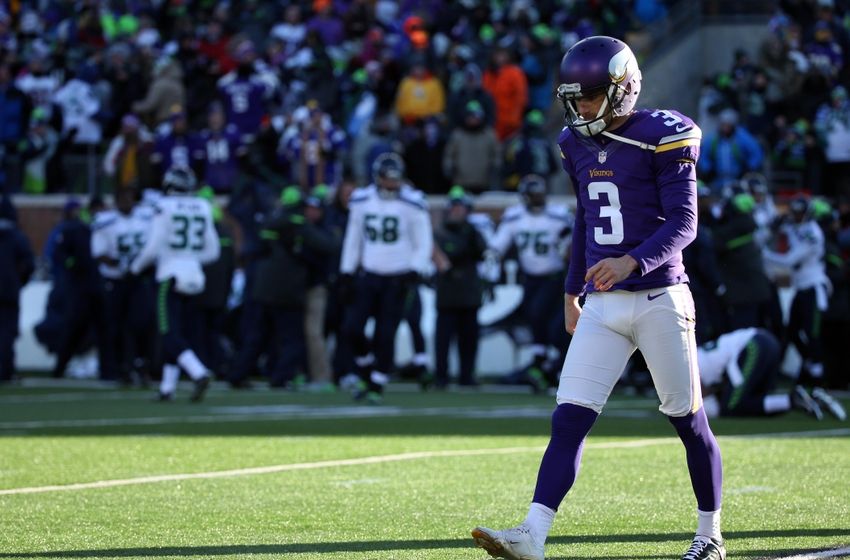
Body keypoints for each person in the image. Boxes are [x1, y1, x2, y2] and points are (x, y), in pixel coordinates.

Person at [472, 36, 726, 560]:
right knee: (569, 417)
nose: (581, 107)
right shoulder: (573, 142)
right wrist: (572, 290)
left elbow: (685, 222)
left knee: (687, 421)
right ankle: (533, 535)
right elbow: (585, 218)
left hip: (660, 297)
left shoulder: (665, 134)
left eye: (589, 95)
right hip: (603, 304)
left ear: (623, 89)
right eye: (575, 97)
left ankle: (710, 535)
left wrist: (632, 260)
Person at [339, 152, 433, 403]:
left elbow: (423, 241)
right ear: (377, 178)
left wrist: (415, 268)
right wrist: (347, 270)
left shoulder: (412, 202)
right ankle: (368, 368)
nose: (392, 184)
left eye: (396, 179)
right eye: (387, 179)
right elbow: (353, 238)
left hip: (399, 276)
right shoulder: (361, 200)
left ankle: (377, 383)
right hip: (369, 274)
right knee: (351, 329)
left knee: (385, 332)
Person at [130, 166, 220, 401]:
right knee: (179, 333)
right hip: (195, 277)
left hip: (170, 276)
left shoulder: (163, 206)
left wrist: (135, 268)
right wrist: (189, 259)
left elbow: (152, 248)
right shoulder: (203, 206)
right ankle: (167, 388)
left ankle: (199, 373)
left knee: (168, 333)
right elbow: (213, 251)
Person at [762, 196, 846, 421]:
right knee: (792, 333)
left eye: (800, 213)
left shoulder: (812, 232)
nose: (797, 217)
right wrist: (773, 228)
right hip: (800, 288)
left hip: (813, 287)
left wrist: (764, 254)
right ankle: (810, 368)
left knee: (813, 334)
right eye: (795, 212)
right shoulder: (793, 227)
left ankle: (818, 383)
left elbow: (789, 260)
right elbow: (770, 234)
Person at [489, 174, 572, 390]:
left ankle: (543, 360)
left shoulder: (559, 215)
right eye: (534, 195)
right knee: (533, 316)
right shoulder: (514, 217)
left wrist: (567, 243)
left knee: (542, 315)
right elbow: (498, 245)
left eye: (540, 194)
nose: (538, 198)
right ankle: (542, 359)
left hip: (554, 276)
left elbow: (574, 240)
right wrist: (490, 267)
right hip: (530, 277)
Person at [698, 327, 824, 419]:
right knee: (755, 401)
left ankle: (794, 400)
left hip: (753, 346)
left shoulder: (691, 365)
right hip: (765, 343)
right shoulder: (696, 357)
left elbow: (697, 386)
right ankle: (805, 397)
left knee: (730, 406)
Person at [433, 186, 487, 388]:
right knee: (443, 340)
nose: (457, 211)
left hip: (469, 294)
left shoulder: (473, 232)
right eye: (454, 207)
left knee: (469, 340)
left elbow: (483, 252)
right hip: (447, 294)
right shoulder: (441, 232)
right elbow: (452, 254)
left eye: (461, 207)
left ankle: (467, 375)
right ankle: (441, 376)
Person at [0, 196, 34, 383]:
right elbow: (28, 265)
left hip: (9, 289)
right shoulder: (16, 236)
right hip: (8, 291)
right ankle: (6, 371)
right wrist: (17, 282)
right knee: (7, 333)